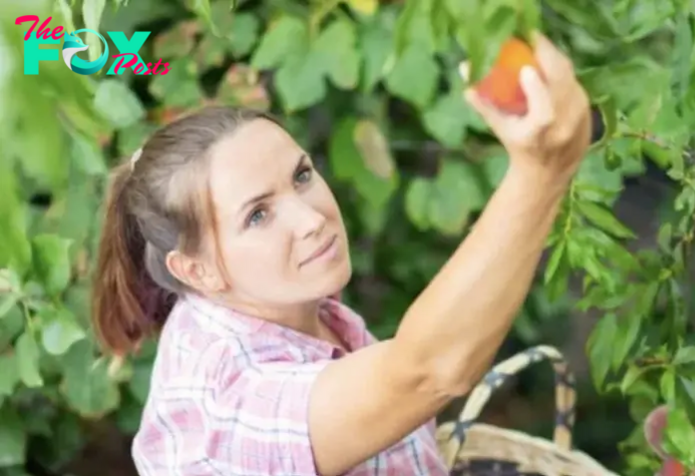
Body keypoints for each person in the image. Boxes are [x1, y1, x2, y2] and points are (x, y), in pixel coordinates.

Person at [90, 32, 591, 476]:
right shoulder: (226, 404)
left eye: (301, 176)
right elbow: (427, 371)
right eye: (257, 216)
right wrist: (541, 172)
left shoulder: (283, 306)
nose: (312, 219)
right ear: (194, 269)